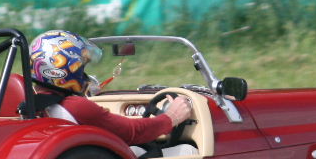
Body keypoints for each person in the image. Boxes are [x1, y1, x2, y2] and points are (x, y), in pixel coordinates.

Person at [28, 29, 193, 148]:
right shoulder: (75, 106)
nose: (85, 76)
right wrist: (171, 117)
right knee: (187, 150)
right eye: (81, 68)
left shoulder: (31, 102)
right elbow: (132, 132)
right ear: (65, 71)